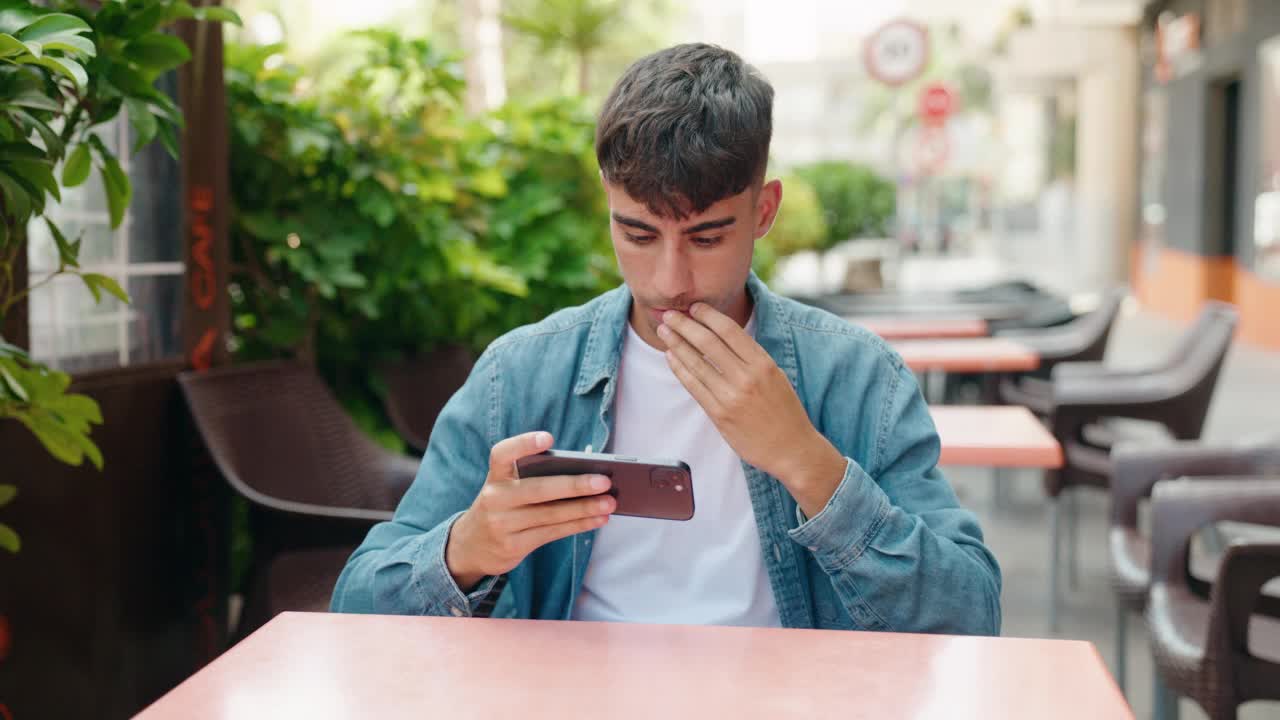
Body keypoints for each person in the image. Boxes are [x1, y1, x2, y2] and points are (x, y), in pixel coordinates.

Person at [331, 43, 1001, 634]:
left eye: (707, 236)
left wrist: (805, 461)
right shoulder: (523, 373)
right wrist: (467, 547)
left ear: (763, 211)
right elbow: (357, 607)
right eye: (638, 234)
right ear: (607, 204)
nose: (669, 280)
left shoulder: (857, 377)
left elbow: (969, 614)